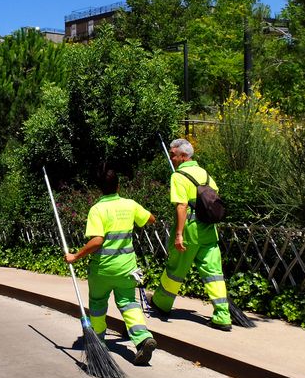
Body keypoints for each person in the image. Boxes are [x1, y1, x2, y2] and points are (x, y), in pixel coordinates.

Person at [65, 168, 158, 366]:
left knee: (98, 304)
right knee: (128, 303)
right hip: (126, 268)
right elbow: (151, 219)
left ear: (99, 188)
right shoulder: (129, 204)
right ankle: (142, 339)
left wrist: (76, 256)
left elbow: (97, 241)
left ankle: (98, 343)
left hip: (103, 270)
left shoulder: (97, 210)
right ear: (118, 185)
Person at [151, 138, 232, 331]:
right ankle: (222, 315)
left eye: (173, 154)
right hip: (209, 229)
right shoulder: (205, 174)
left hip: (190, 229)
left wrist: (179, 234)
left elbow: (181, 205)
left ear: (184, 156)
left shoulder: (178, 176)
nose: (171, 158)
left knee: (175, 269)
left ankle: (161, 304)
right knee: (213, 273)